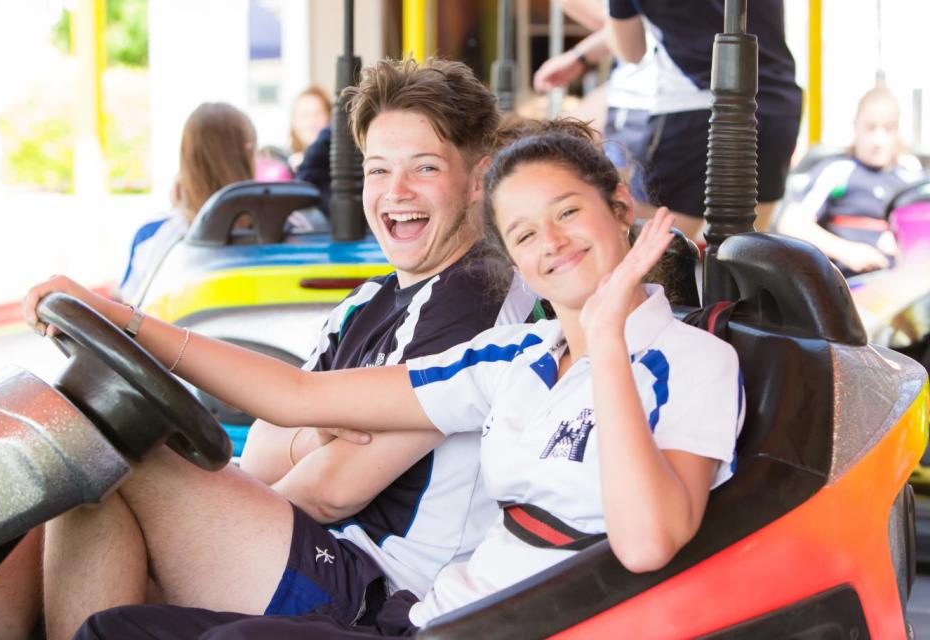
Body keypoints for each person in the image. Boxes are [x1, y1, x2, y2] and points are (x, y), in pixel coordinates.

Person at [59, 123, 744, 639]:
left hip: (505, 625)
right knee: (115, 631)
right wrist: (128, 323)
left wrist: (608, 339)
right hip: (426, 617)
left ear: (620, 207)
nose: (552, 243)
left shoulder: (693, 360)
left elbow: (647, 540)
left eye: (567, 212)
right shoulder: (518, 357)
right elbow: (300, 398)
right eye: (525, 234)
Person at [0, 58, 536, 640]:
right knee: (77, 475)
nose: (396, 193)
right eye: (377, 169)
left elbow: (332, 491)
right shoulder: (369, 299)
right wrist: (309, 440)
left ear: (478, 178)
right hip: (319, 551)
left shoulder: (478, 298)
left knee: (101, 451)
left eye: (424, 168)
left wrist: (211, 523)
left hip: (378, 588)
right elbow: (269, 441)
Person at [536, 0, 802, 241]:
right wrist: (581, 55)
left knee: (651, 261)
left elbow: (631, 49)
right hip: (774, 102)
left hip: (690, 107)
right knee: (744, 257)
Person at [776, 85, 922, 277]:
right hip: (847, 284)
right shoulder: (837, 171)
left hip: (901, 283)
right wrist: (848, 251)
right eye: (870, 128)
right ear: (856, 128)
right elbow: (791, 223)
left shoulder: (911, 178)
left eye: (888, 129)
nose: (879, 140)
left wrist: (905, 242)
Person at [119, 102, 257, 304]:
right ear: (249, 152)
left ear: (186, 158)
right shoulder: (290, 229)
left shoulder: (156, 236)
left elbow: (129, 307)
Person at [288, 85, 333, 170]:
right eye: (304, 115)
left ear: (330, 117)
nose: (311, 122)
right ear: (293, 121)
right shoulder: (283, 162)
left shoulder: (338, 162)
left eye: (318, 114)